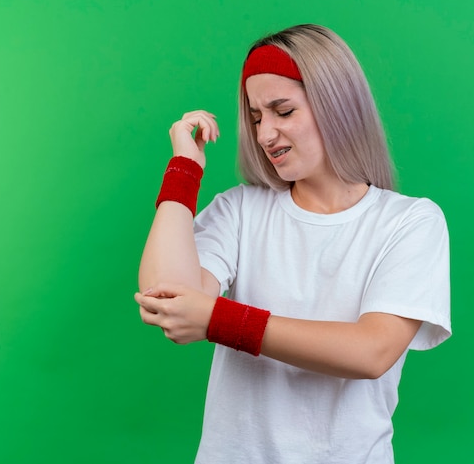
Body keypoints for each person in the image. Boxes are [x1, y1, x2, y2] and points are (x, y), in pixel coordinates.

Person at [134, 23, 451, 463]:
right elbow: (164, 296)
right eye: (257, 117)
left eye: (283, 111)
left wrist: (218, 319)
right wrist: (184, 170)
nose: (264, 135)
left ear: (336, 105)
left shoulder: (409, 222)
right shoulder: (241, 210)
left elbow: (371, 351)